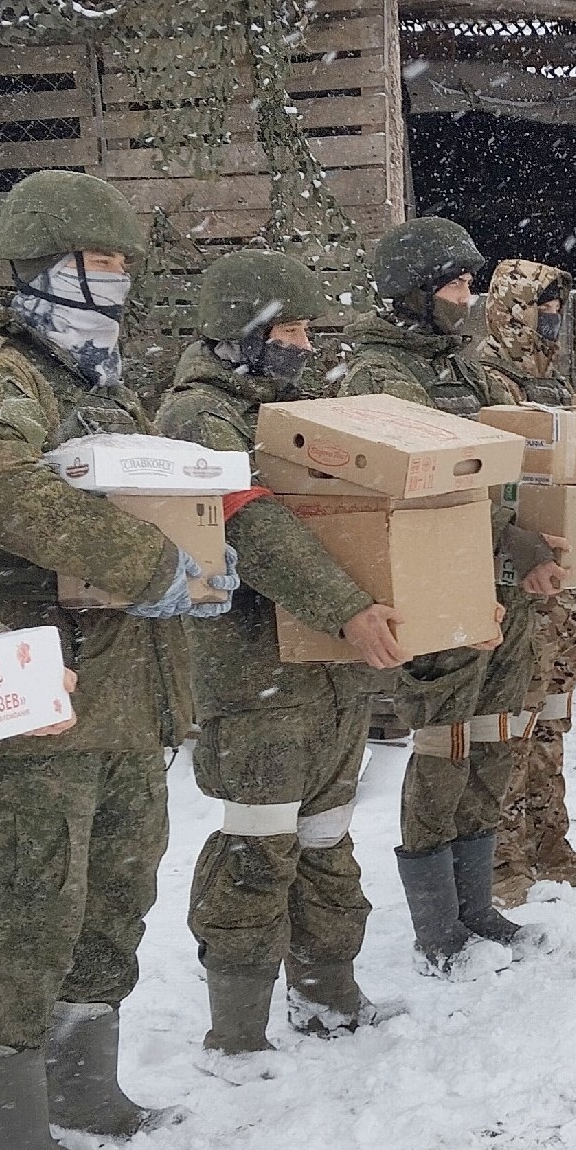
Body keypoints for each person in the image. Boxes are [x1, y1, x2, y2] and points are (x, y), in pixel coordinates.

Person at [0, 170, 230, 1150]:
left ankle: (84, 1085)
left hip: (131, 698)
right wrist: (153, 569)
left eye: (124, 266)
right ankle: (11, 1134)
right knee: (32, 904)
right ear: (43, 268)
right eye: (100, 264)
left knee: (117, 895)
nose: (118, 283)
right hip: (38, 699)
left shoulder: (102, 387)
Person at [155, 250, 411, 1060]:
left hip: (326, 668)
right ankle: (237, 1031)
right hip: (252, 668)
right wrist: (347, 606)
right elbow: (249, 523)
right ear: (242, 332)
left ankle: (328, 994)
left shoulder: (303, 413)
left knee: (327, 837)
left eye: (306, 328)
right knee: (256, 848)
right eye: (288, 328)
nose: (303, 344)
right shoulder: (199, 417)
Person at [340, 220, 568, 962]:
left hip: (499, 591)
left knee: (495, 740)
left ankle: (476, 909)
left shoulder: (460, 367)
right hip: (440, 591)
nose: (469, 298)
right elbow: (434, 479)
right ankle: (438, 930)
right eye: (455, 284)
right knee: (443, 749)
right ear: (412, 292)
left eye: (471, 283)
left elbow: (501, 463)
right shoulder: (383, 377)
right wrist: (515, 537)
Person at [467, 258, 576, 897]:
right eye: (542, 309)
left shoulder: (557, 387)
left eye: (560, 310)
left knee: (552, 718)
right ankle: (501, 862)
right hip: (518, 582)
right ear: (511, 310)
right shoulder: (478, 384)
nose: (553, 322)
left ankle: (549, 842)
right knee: (511, 723)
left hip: (571, 588)